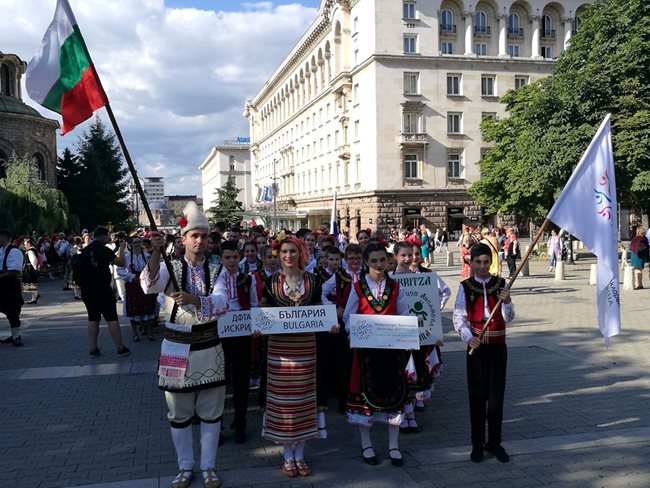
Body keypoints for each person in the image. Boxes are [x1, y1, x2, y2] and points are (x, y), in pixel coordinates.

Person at [142, 202, 228, 488]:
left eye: (204, 236)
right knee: (178, 413)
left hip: (209, 346)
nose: (201, 241)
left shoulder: (217, 268)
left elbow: (222, 302)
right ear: (184, 239)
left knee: (211, 412)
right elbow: (149, 284)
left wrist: (194, 300)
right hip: (176, 347)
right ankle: (184, 466)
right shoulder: (172, 266)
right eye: (195, 236)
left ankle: (209, 466)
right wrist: (155, 252)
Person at [258, 236, 332, 478]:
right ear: (278, 255)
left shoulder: (313, 280)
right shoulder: (270, 282)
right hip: (279, 351)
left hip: (306, 349)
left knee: (303, 401)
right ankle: (288, 457)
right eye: (284, 252)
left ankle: (300, 456)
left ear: (300, 254)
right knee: (282, 404)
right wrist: (259, 324)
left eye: (292, 251)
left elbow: (321, 307)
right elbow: (264, 309)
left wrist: (331, 323)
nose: (288, 256)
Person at [343, 242, 410, 468]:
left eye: (382, 260)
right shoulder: (358, 286)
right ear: (366, 262)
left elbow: (404, 313)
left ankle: (393, 445)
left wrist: (408, 335)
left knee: (394, 394)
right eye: (374, 261)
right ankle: (366, 444)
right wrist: (355, 335)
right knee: (364, 398)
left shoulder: (395, 286)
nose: (379, 265)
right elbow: (349, 316)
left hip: (392, 351)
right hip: (367, 353)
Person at [453, 243, 515, 464]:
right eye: (477, 262)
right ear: (471, 262)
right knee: (477, 398)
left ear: (491, 262)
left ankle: (495, 443)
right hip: (476, 348)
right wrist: (469, 337)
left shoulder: (501, 284)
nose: (482, 266)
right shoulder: (466, 286)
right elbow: (459, 317)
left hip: (498, 348)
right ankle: (477, 444)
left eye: (486, 262)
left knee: (496, 399)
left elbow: (509, 317)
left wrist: (507, 302)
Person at [215, 240, 258, 444]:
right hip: (220, 336)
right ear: (221, 259)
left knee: (241, 381)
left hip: (240, 334)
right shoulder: (215, 279)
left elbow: (254, 304)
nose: (232, 261)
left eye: (234, 257)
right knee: (219, 383)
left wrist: (254, 324)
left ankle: (240, 423)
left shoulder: (247, 279)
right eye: (227, 257)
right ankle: (218, 426)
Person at [76, 227, 130, 358]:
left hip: (87, 291)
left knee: (93, 318)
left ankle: (93, 349)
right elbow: (121, 263)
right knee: (111, 318)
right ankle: (120, 348)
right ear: (104, 237)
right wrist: (122, 248)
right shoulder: (102, 250)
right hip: (102, 290)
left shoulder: (86, 250)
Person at [321, 244, 363, 413]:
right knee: (343, 362)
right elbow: (322, 293)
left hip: (363, 321)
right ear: (346, 260)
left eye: (358, 258)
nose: (354, 261)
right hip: (344, 323)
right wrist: (333, 308)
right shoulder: (339, 276)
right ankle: (343, 401)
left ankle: (362, 398)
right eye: (351, 258)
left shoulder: (367, 275)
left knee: (360, 361)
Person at [117, 236, 157, 342]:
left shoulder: (147, 256)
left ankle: (149, 331)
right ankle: (135, 333)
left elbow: (154, 268)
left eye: (139, 242)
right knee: (133, 308)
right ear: (130, 245)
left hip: (145, 284)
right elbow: (120, 269)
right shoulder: (126, 257)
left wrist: (149, 277)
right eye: (135, 243)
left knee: (148, 307)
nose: (137, 244)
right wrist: (130, 277)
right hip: (133, 285)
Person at [0, 230, 25, 346]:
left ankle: (16, 336)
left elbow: (14, 271)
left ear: (5, 238)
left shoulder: (14, 251)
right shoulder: (1, 251)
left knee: (13, 311)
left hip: (10, 285)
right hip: (2, 284)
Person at [22, 238, 40, 304]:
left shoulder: (30, 251)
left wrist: (35, 268)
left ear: (29, 244)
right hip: (30, 267)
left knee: (30, 282)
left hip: (30, 268)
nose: (25, 246)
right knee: (31, 283)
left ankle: (35, 295)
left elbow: (33, 260)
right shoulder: (33, 250)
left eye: (26, 244)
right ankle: (34, 298)